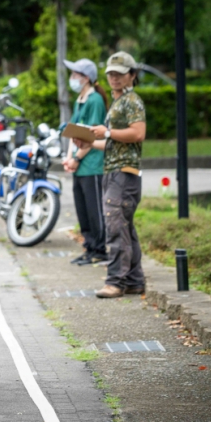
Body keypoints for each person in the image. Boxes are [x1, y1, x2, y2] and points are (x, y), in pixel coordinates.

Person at [87, 51, 147, 299]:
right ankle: (134, 281)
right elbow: (114, 142)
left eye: (120, 74)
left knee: (115, 228)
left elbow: (138, 133)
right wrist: (90, 141)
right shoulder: (119, 101)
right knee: (125, 229)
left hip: (124, 175)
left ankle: (115, 282)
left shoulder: (132, 101)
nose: (114, 78)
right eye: (111, 73)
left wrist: (108, 133)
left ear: (132, 75)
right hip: (117, 172)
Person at [62, 58, 108, 266]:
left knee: (94, 209)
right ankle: (89, 247)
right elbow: (74, 132)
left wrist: (77, 159)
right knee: (83, 210)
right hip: (80, 165)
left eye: (75, 74)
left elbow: (93, 135)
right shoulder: (80, 100)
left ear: (86, 78)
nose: (72, 78)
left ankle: (99, 249)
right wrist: (70, 158)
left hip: (92, 164)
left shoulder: (95, 100)